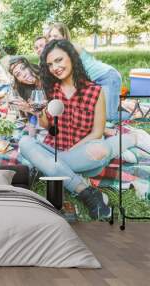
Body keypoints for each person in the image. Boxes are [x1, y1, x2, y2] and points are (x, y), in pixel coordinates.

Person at [19, 40, 150, 220]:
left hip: (83, 153)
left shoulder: (95, 91)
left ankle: (133, 138)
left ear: (72, 58)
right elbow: (47, 126)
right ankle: (87, 192)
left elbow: (97, 132)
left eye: (59, 60)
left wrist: (68, 156)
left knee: (99, 149)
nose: (54, 68)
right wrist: (38, 112)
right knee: (25, 142)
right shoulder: (50, 90)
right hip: (56, 149)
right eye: (50, 64)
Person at [46, 22, 130, 121]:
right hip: (94, 81)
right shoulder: (59, 52)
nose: (52, 38)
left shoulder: (71, 48)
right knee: (98, 113)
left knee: (109, 117)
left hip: (107, 77)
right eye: (50, 36)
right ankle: (117, 106)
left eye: (55, 36)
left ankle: (136, 113)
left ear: (64, 36)